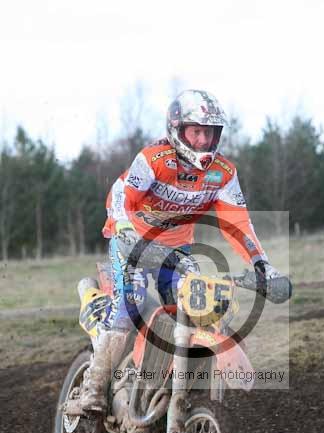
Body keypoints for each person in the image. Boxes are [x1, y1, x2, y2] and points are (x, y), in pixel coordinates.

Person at [79, 89, 282, 413]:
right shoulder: (154, 159)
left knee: (199, 307)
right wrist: (124, 228)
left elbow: (238, 224)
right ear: (178, 129)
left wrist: (262, 266)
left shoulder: (222, 174)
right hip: (132, 240)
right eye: (196, 131)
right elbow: (122, 194)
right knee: (131, 303)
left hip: (176, 249)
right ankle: (93, 386)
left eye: (209, 132)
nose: (203, 140)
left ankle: (168, 382)